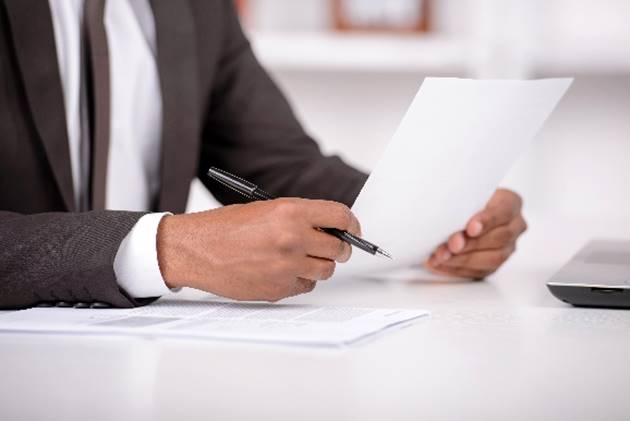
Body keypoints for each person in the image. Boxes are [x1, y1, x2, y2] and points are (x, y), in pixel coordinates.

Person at [0, 0, 527, 309]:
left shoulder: (197, 9)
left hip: (148, 363)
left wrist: (444, 210)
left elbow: (282, 166)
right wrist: (166, 249)